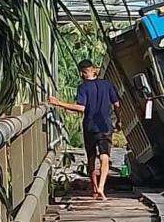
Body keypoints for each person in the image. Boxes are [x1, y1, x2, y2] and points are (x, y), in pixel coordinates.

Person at [49, 60, 120, 200]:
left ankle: (94, 189)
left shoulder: (83, 87)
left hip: (90, 126)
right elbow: (117, 104)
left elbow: (82, 108)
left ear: (82, 73)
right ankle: (101, 187)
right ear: (94, 70)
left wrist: (59, 103)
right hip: (106, 125)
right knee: (104, 156)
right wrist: (119, 120)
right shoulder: (107, 84)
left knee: (91, 157)